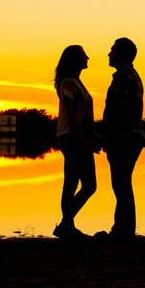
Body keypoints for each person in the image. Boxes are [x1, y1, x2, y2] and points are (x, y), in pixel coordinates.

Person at [53, 44, 100, 239]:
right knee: (82, 184)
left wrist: (93, 135)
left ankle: (67, 225)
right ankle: (66, 224)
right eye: (83, 55)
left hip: (78, 137)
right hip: (72, 137)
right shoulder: (68, 83)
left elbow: (85, 115)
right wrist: (84, 138)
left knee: (78, 183)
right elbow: (73, 117)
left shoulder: (77, 82)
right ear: (74, 60)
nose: (88, 58)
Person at [103, 37, 144, 241]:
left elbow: (116, 112)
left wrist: (107, 137)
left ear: (121, 54)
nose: (109, 54)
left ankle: (123, 230)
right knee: (123, 184)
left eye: (112, 50)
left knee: (121, 184)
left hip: (123, 138)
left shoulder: (123, 78)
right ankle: (123, 228)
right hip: (131, 137)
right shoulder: (132, 75)